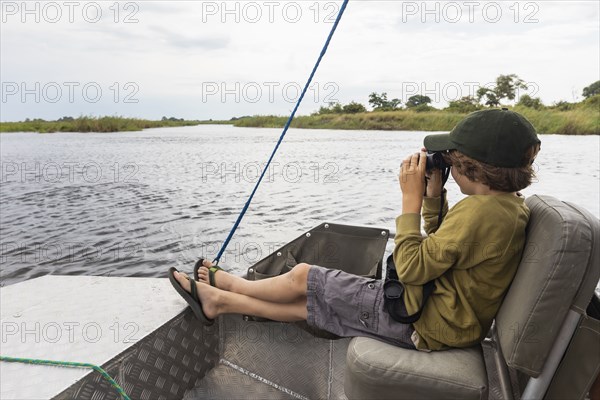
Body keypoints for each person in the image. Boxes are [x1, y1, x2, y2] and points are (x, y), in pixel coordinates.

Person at [169, 108, 541, 351]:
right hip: (443, 319)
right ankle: (223, 298)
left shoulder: (481, 212)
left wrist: (410, 201)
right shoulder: (506, 208)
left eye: (451, 159)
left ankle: (235, 287)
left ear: (471, 166)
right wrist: (433, 197)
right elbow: (447, 249)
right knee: (307, 305)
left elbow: (412, 267)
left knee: (303, 277)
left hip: (423, 321)